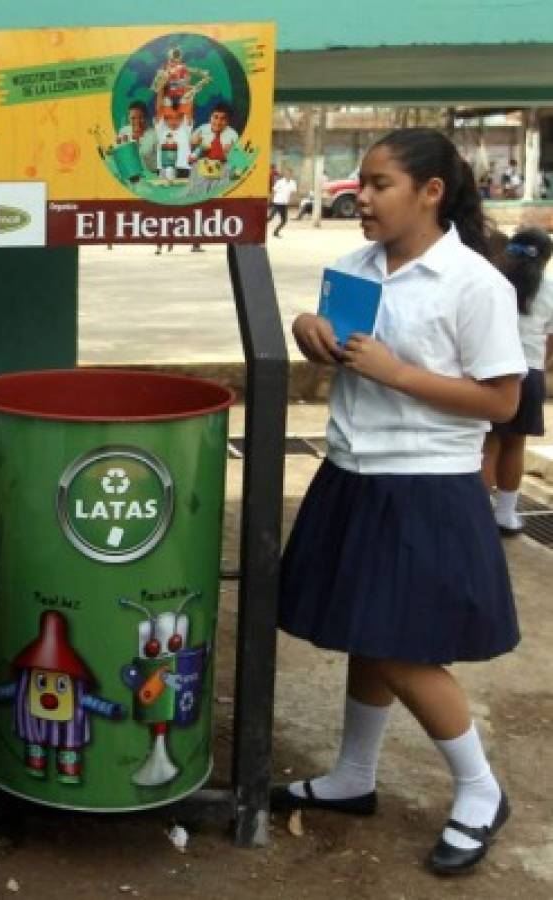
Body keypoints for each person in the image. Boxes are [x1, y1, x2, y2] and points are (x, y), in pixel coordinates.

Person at [275, 128, 526, 877]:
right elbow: (331, 343)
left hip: (425, 486)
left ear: (429, 192)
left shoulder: (473, 284)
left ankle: (480, 791)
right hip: (352, 471)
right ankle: (354, 774)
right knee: (365, 630)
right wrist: (307, 330)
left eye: (379, 184)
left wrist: (395, 372)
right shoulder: (353, 265)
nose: (361, 198)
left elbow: (503, 400)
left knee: (401, 648)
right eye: (361, 183)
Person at [483, 228, 553, 534]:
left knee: (489, 443)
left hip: (494, 369)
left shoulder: (491, 281)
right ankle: (507, 515)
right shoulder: (549, 290)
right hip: (531, 372)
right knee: (515, 445)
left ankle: (480, 513)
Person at [268, 168, 298, 238]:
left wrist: (291, 200)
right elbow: (274, 190)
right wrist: (271, 199)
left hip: (284, 204)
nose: (288, 175)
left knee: (284, 220)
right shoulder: (280, 182)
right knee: (270, 218)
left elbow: (293, 192)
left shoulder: (293, 183)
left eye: (289, 173)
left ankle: (276, 232)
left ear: (291, 174)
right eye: (286, 173)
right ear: (284, 174)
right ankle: (260, 230)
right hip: (277, 202)